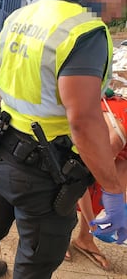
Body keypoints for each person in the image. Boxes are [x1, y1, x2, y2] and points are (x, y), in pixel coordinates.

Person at [0, 0, 127, 279]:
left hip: (0, 147)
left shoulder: (22, 15)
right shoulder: (87, 30)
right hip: (43, 171)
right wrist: (114, 191)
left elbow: (9, 76)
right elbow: (83, 122)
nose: (121, 9)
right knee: (37, 256)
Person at [67, 95, 127, 270]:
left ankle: (84, 240)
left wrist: (119, 212)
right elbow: (81, 181)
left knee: (106, 187)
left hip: (114, 134)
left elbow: (120, 177)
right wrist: (94, 224)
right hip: (90, 126)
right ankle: (55, 236)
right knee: (68, 181)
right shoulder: (116, 136)